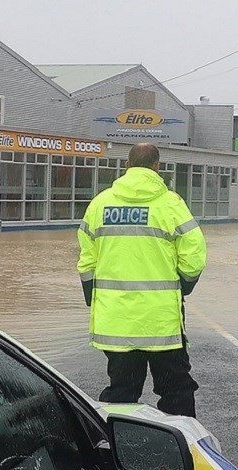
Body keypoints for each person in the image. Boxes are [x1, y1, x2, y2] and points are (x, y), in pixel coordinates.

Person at [76, 142, 206, 417]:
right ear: (157, 167)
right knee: (176, 391)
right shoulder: (171, 205)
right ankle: (183, 448)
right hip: (161, 323)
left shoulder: (100, 204)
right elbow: (194, 257)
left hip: (117, 321)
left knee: (121, 392)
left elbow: (86, 262)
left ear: (127, 165)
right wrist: (183, 286)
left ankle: (116, 448)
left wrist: (93, 297)